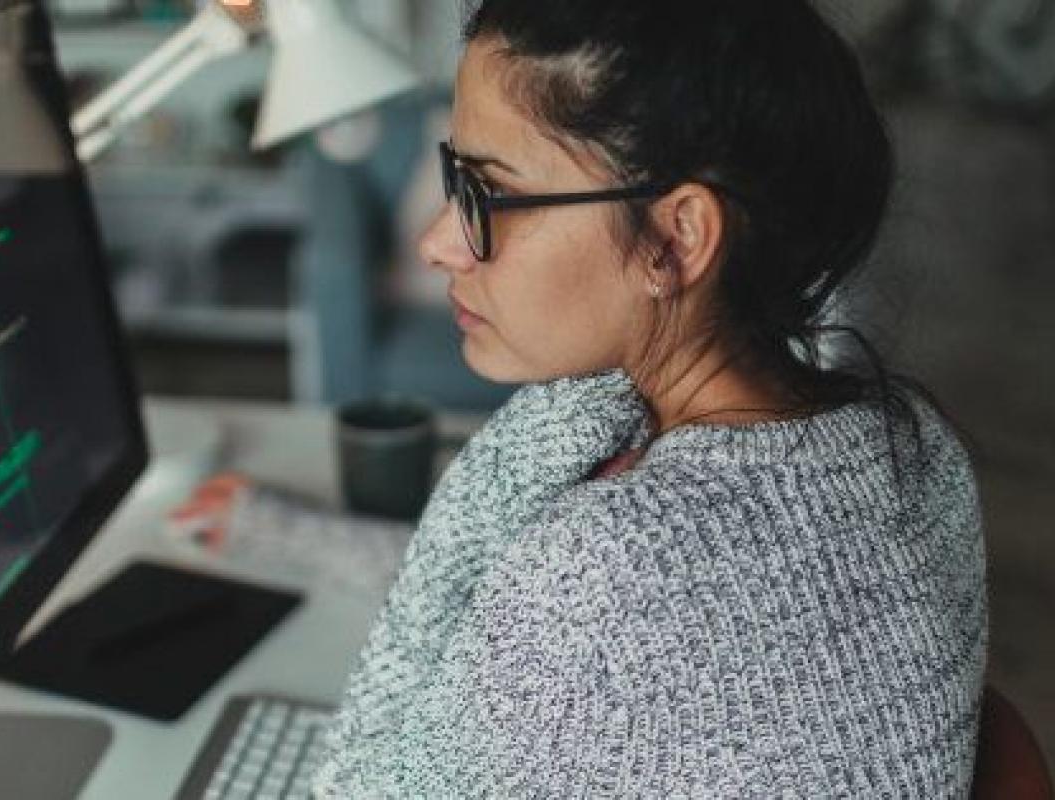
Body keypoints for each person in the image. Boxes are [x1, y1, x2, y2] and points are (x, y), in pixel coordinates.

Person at [311, 0, 987, 796]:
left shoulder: (605, 564)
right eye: (454, 177)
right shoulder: (921, 445)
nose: (437, 242)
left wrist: (547, 412)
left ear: (677, 238)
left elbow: (352, 788)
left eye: (487, 192)